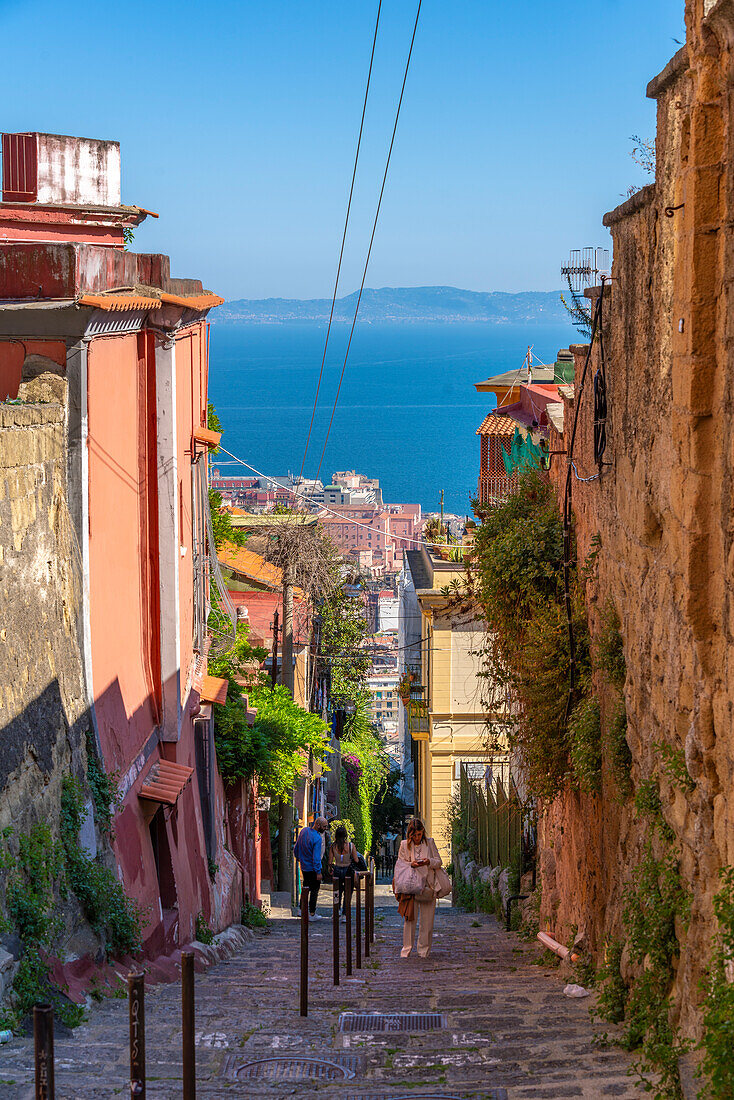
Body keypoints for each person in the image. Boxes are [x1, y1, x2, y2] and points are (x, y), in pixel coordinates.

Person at [394, 817, 442, 958]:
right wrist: (412, 864)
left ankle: (423, 951)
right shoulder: (404, 845)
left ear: (423, 833)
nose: (417, 837)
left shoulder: (430, 843)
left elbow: (438, 862)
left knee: (427, 922)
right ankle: (406, 950)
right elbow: (400, 865)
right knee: (410, 920)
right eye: (414, 835)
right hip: (411, 887)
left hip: (428, 885)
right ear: (410, 834)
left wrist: (428, 862)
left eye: (419, 834)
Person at [293, 816, 328, 919]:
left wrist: (298, 857)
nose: (325, 828)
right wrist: (318, 872)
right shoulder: (317, 838)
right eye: (324, 826)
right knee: (314, 891)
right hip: (313, 868)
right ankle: (312, 913)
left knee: (305, 888)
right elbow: (316, 858)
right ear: (318, 825)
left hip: (304, 866)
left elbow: (297, 846)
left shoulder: (304, 831)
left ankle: (301, 909)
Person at [328, 825, 357, 920]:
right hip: (348, 870)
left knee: (337, 892)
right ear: (345, 835)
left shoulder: (333, 846)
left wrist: (330, 869)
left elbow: (330, 861)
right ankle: (345, 913)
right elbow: (356, 860)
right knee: (348, 892)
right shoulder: (350, 846)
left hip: (337, 869)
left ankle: (336, 911)